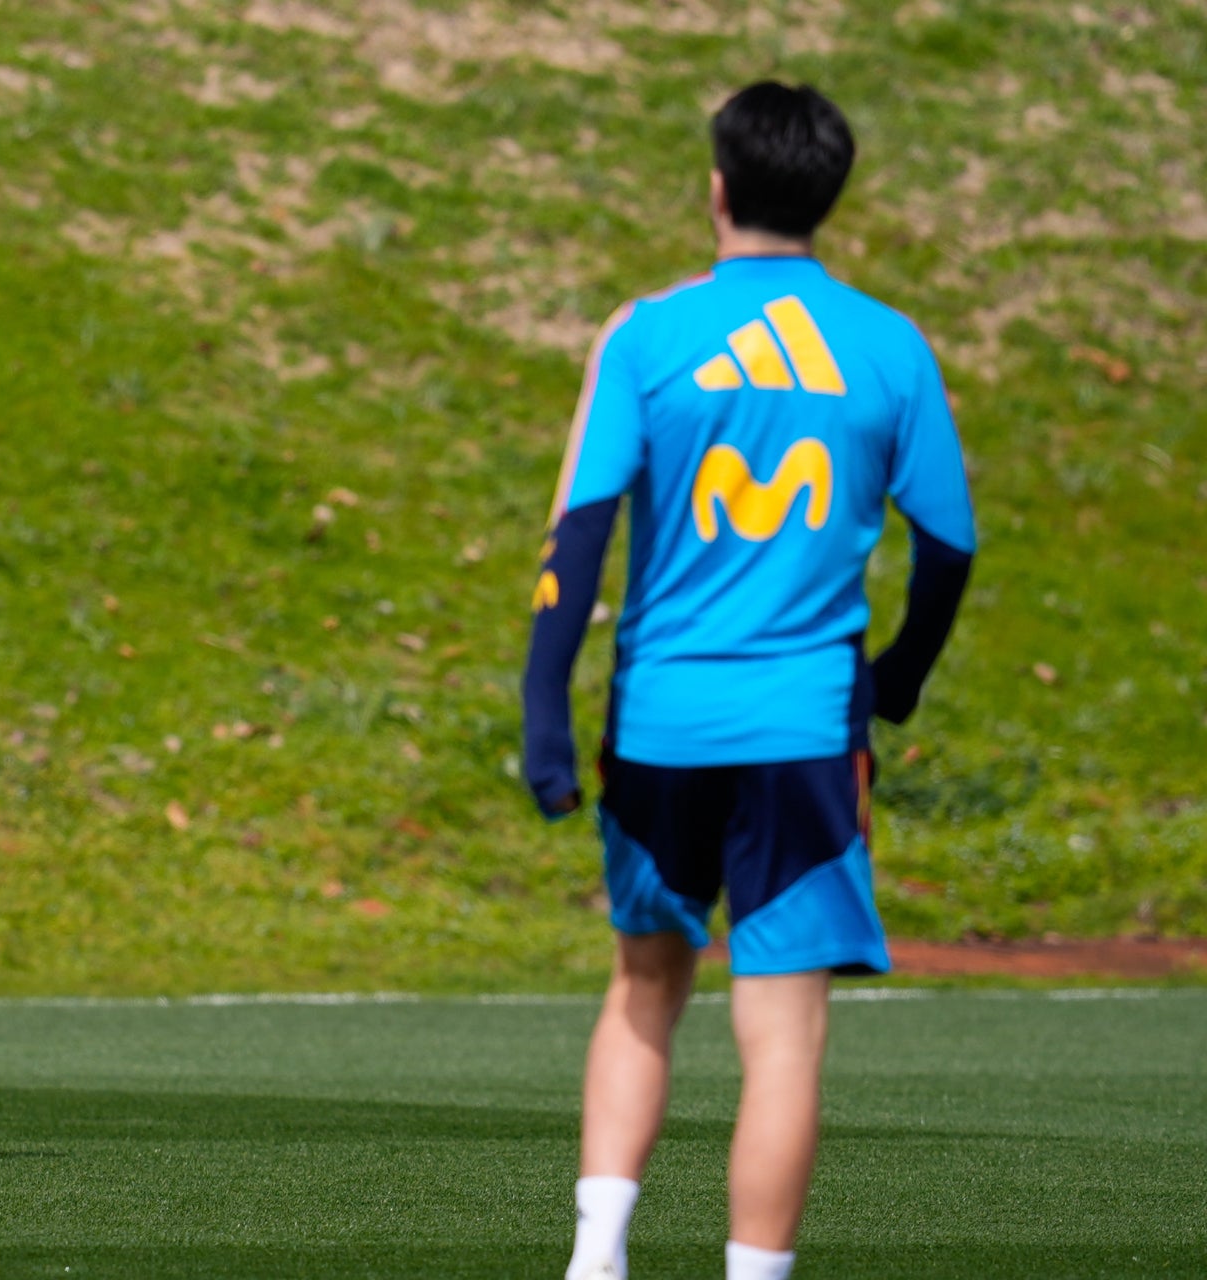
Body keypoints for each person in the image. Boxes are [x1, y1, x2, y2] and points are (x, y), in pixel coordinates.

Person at [520, 82, 975, 1280]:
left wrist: (543, 723)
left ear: (716, 187)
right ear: (828, 194)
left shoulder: (645, 332)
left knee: (641, 989)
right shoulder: (889, 343)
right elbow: (949, 545)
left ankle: (597, 1257)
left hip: (662, 722)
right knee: (782, 1036)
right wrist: (900, 678)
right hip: (805, 734)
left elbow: (575, 537)